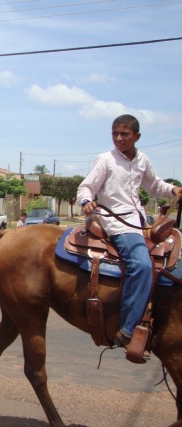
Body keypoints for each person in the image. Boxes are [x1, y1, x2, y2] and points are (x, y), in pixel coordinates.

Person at [77, 114, 182, 354]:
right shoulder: (105, 160)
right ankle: (127, 329)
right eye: (114, 133)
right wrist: (85, 200)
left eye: (124, 134)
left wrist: (173, 189)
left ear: (137, 136)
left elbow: (154, 186)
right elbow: (86, 186)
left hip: (140, 221)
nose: (118, 138)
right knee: (142, 266)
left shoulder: (142, 160)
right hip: (118, 222)